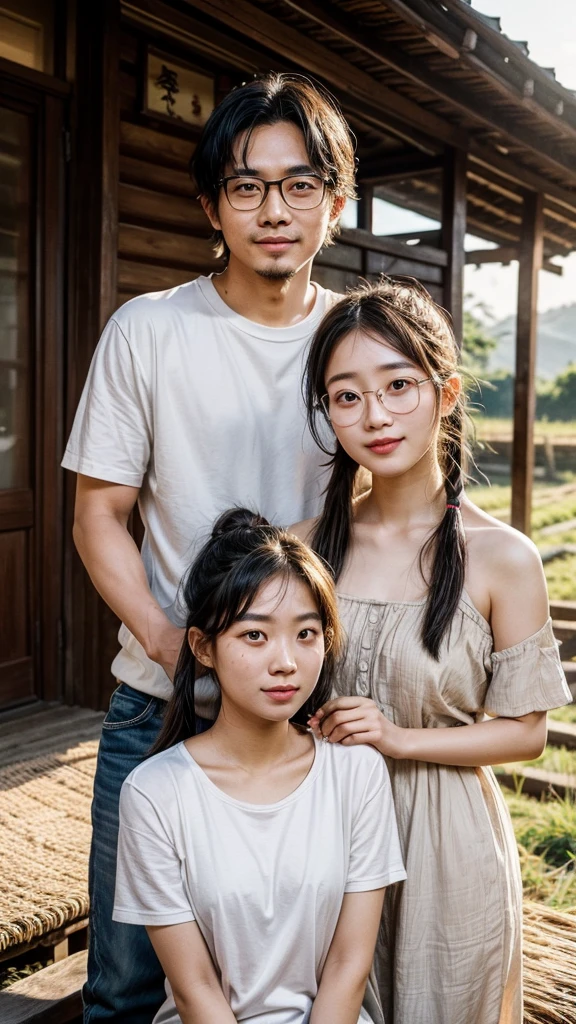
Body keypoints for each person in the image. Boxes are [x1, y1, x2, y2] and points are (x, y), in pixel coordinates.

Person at [61, 74, 356, 1022]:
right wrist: (162, 637)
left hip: (313, 711)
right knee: (125, 986)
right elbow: (97, 512)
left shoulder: (355, 343)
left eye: (300, 184)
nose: (275, 210)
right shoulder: (149, 330)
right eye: (246, 186)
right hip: (160, 711)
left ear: (336, 203)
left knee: (303, 980)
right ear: (211, 207)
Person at [293, 277, 572, 1024]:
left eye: (398, 386)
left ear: (446, 393)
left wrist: (396, 736)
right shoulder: (304, 549)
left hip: (446, 847)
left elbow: (527, 733)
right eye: (346, 396)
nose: (374, 415)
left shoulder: (500, 558)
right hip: (318, 835)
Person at [112, 508, 406, 1024]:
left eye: (306, 634)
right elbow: (194, 987)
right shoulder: (154, 793)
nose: (285, 662)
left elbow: (348, 965)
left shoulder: (357, 772)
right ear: (203, 647)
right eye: (255, 635)